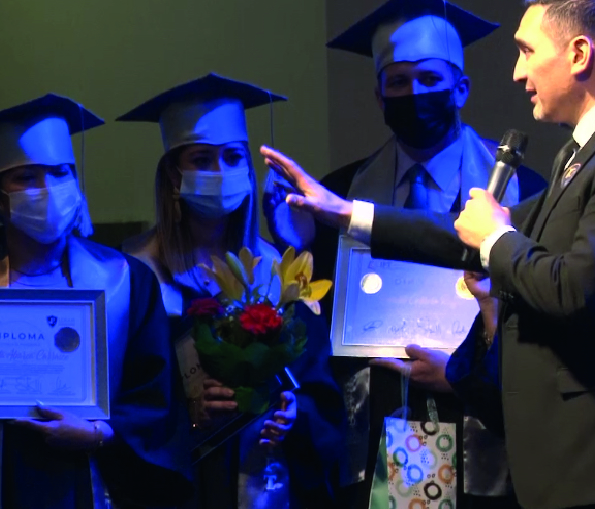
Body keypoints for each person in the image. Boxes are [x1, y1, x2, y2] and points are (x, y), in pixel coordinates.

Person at [263, 0, 595, 509]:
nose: (518, 71)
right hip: (581, 461)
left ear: (578, 54)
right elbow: (467, 234)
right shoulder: (594, 147)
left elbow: (574, 288)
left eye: (527, 51)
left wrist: (495, 237)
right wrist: (345, 213)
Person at [263, 0, 548, 509]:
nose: (414, 93)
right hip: (378, 421)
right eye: (397, 82)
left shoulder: (524, 192)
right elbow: (319, 320)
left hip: (486, 428)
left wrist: (463, 375)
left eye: (430, 80)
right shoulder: (341, 194)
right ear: (378, 96)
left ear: (460, 89)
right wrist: (292, 244)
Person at [115, 73, 345, 509]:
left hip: (270, 483)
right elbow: (126, 404)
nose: (221, 172)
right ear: (173, 176)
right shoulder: (133, 274)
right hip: (184, 489)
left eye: (234, 157)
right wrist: (187, 414)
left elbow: (322, 391)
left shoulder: (279, 272)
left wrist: (295, 412)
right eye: (202, 159)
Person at [0, 94, 191, 508]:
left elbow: (156, 399)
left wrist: (97, 433)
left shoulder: (126, 280)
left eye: (61, 173)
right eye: (26, 177)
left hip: (96, 484)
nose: (47, 190)